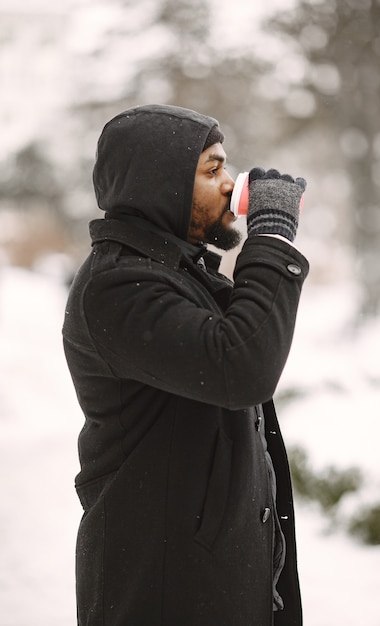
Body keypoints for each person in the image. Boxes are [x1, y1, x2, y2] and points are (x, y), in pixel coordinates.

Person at [63, 103, 309, 626]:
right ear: (162, 184)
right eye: (212, 169)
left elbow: (242, 344)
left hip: (203, 578)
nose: (230, 184)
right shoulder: (118, 287)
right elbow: (241, 367)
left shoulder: (175, 273)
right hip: (162, 587)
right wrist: (272, 237)